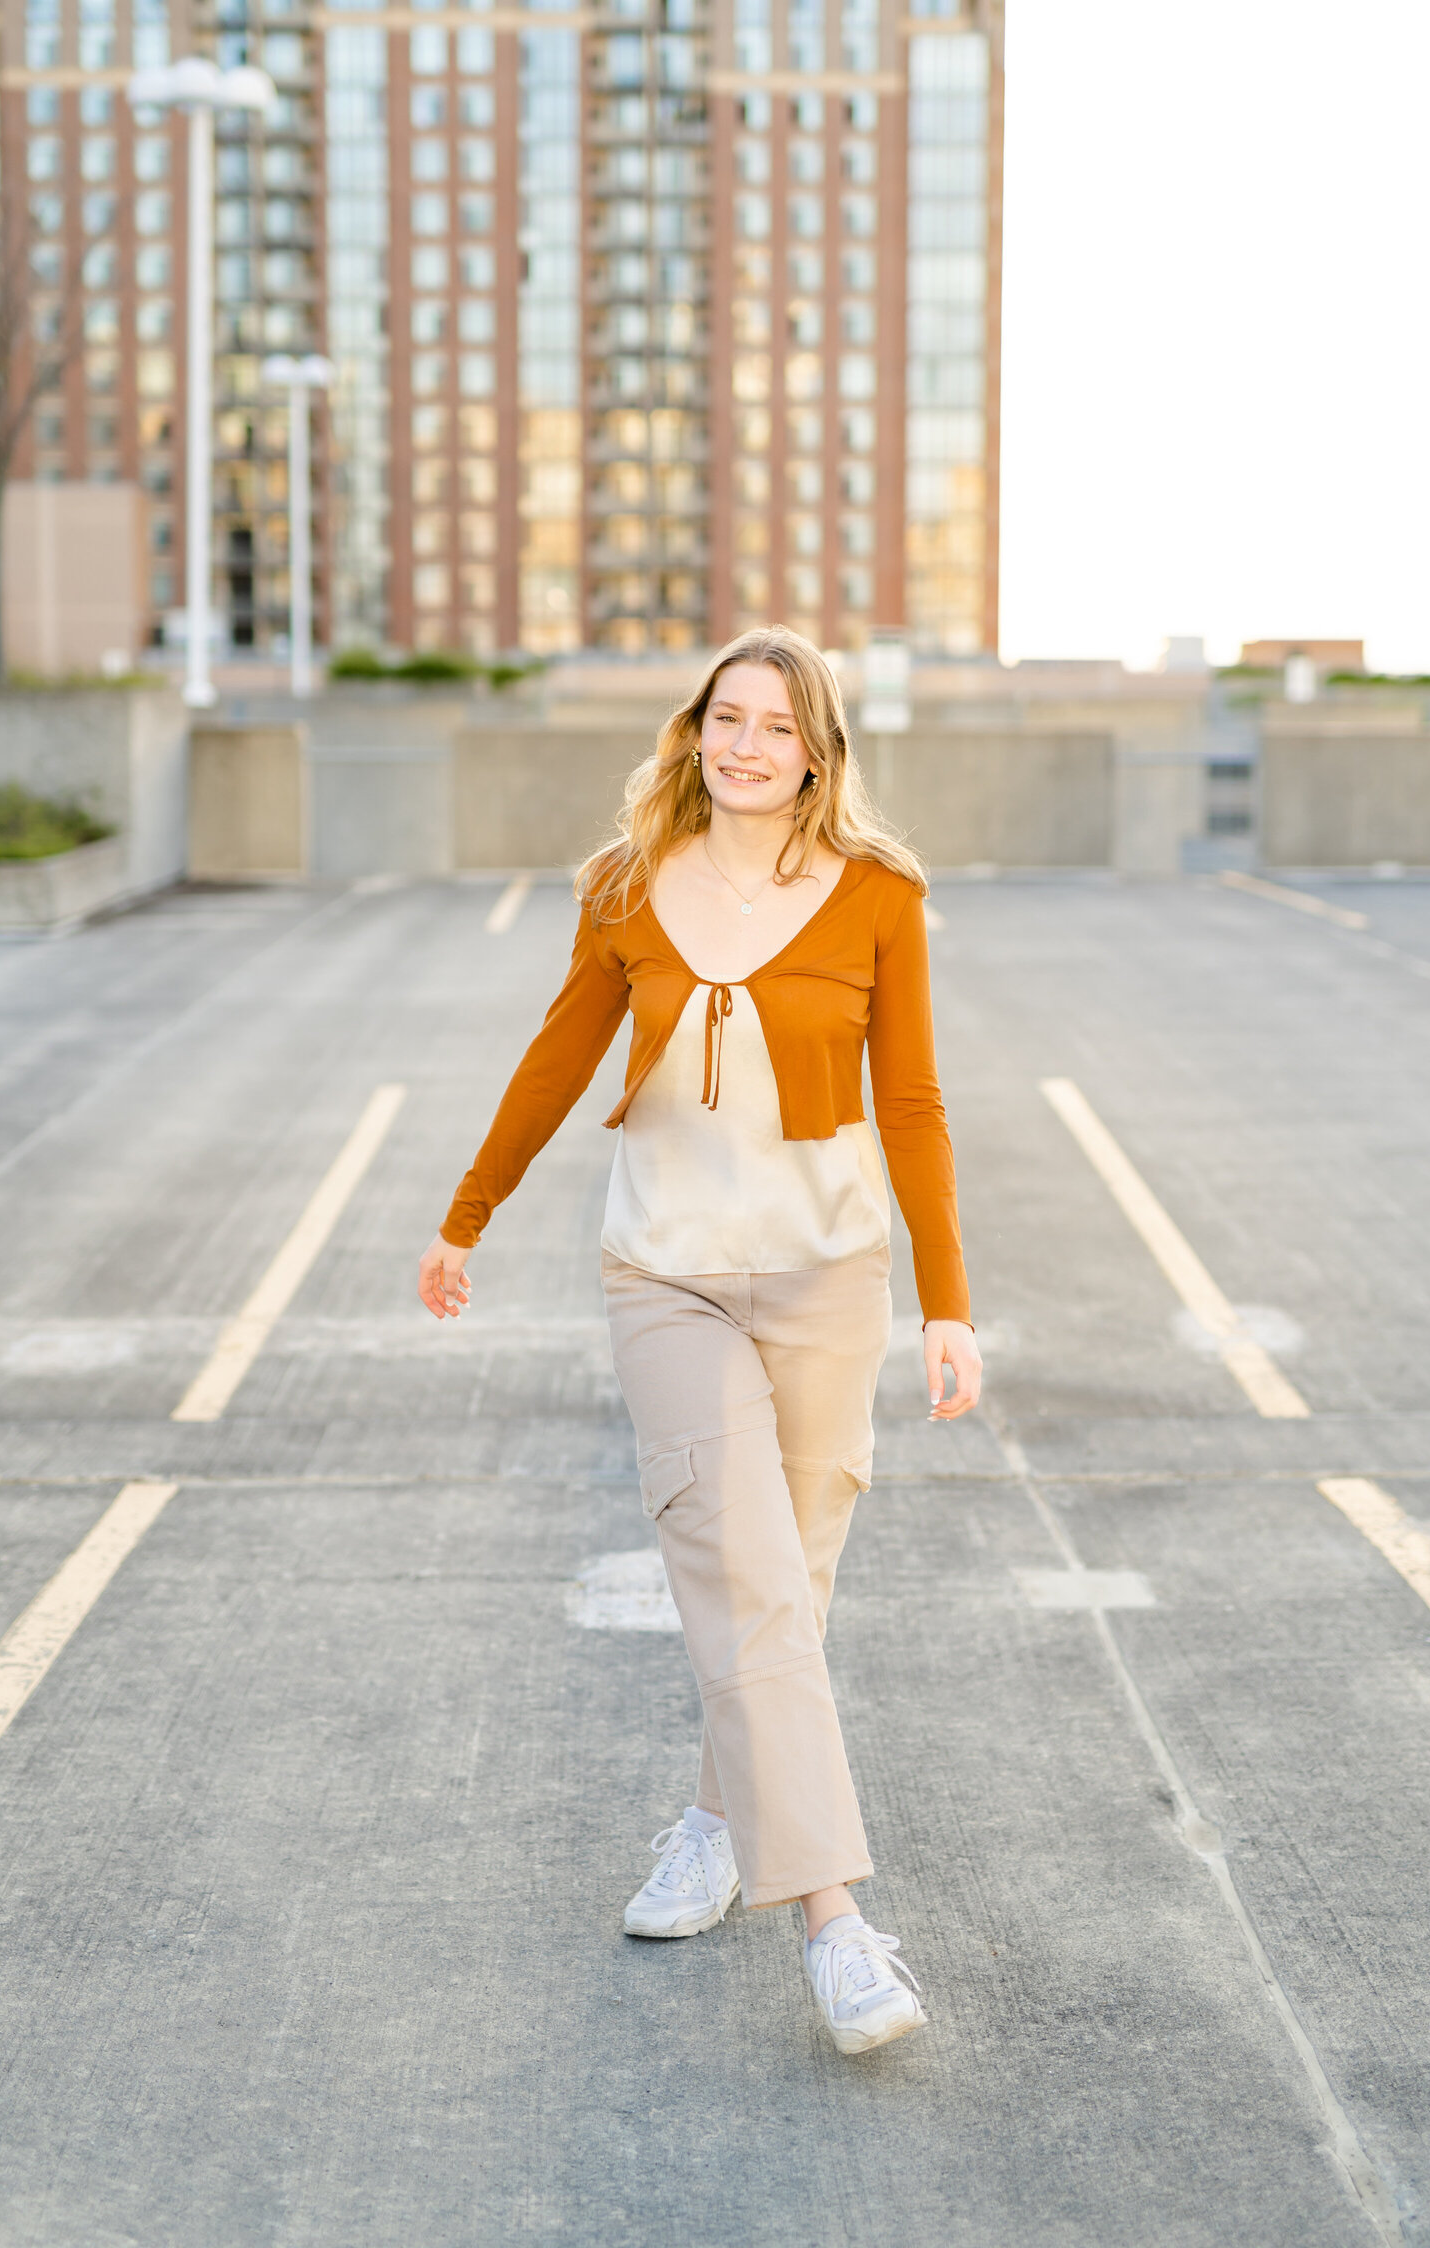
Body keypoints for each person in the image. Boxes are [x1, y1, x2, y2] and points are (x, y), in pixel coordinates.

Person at [419, 624, 980, 2057]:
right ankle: (838, 1928)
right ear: (692, 730)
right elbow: (559, 1052)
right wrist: (465, 1216)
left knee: (787, 1584)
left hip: (828, 1279)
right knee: (740, 1564)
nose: (745, 745)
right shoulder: (627, 887)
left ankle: (718, 1823)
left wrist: (948, 1303)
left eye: (777, 727)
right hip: (665, 1276)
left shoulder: (877, 897)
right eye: (725, 717)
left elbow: (910, 1104)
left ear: (818, 753)